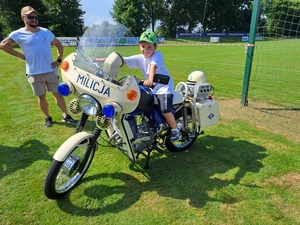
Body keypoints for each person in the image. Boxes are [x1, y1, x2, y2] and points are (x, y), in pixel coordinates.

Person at [0, 6, 74, 127]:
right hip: (34, 73)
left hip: (50, 70)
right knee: (42, 97)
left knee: (58, 94)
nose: (34, 19)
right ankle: (48, 117)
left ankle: (65, 115)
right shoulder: (18, 34)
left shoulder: (46, 32)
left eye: (35, 17)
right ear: (23, 18)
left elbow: (59, 46)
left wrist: (59, 60)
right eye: (30, 17)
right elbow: (3, 45)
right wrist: (21, 56)